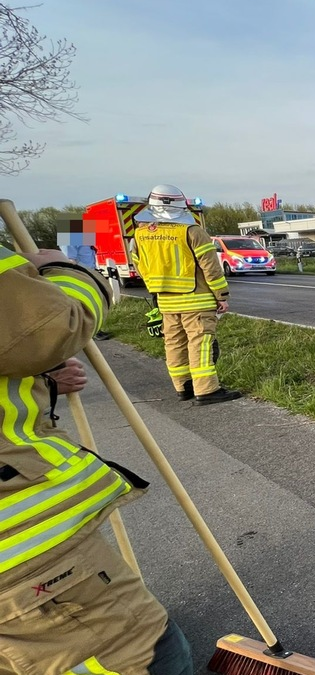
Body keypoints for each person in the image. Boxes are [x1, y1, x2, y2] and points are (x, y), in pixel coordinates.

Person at [0, 244, 193, 674]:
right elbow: (51, 325)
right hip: (22, 555)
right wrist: (64, 268)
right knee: (151, 652)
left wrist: (39, 377)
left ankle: (187, 387)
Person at [130, 184, 241, 404]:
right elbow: (210, 267)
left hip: (165, 301)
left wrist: (156, 287)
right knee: (200, 344)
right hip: (197, 300)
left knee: (174, 343)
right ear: (182, 206)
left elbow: (139, 265)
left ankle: (183, 386)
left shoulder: (140, 234)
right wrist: (221, 295)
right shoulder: (192, 231)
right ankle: (206, 390)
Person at [60, 233, 112, 340]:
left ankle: (95, 330)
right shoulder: (68, 235)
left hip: (89, 272)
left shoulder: (81, 235)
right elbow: (70, 259)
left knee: (94, 302)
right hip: (81, 274)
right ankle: (91, 332)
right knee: (86, 304)